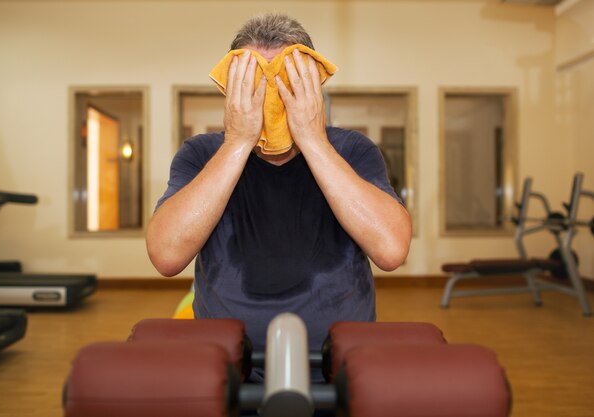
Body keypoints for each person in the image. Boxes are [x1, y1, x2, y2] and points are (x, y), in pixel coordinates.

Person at [146, 13, 412, 382]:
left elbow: (392, 250)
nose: (270, 100)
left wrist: (313, 139)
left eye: (285, 84)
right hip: (225, 368)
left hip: (338, 366)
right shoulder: (201, 153)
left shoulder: (353, 150)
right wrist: (238, 141)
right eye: (254, 85)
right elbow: (166, 255)